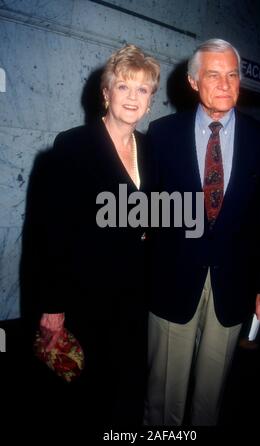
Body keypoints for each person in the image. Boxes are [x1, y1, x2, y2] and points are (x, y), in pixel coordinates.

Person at [20, 44, 160, 427]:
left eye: (143, 90)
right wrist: (51, 306)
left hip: (133, 299)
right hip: (82, 297)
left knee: (124, 393)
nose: (132, 98)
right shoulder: (73, 145)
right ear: (106, 92)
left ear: (151, 101)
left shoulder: (150, 150)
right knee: (81, 396)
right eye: (123, 87)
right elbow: (47, 233)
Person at [143, 38, 260, 426]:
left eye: (232, 74)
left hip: (234, 283)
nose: (225, 83)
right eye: (214, 74)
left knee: (210, 398)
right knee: (163, 396)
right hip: (173, 280)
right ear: (192, 81)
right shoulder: (162, 133)